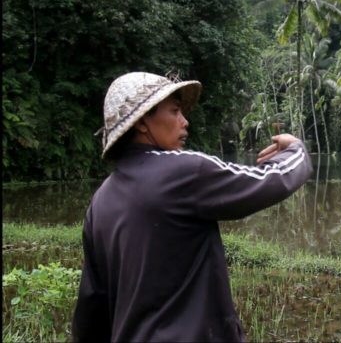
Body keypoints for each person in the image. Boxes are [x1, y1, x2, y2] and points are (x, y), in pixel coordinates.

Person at [72, 72, 312, 342]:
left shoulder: (100, 201)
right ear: (141, 122)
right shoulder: (182, 170)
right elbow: (272, 180)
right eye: (174, 111)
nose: (185, 122)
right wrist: (297, 149)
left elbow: (91, 307)